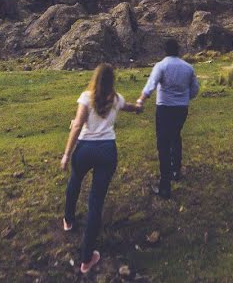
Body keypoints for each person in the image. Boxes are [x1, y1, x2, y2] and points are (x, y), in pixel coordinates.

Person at [61, 63, 140, 274]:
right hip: (107, 151)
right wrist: (138, 107)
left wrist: (67, 154)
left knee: (75, 182)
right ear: (112, 80)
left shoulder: (86, 97)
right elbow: (129, 107)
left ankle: (68, 221)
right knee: (96, 201)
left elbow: (77, 125)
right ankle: (87, 259)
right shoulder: (115, 99)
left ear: (95, 78)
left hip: (85, 149)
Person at [136, 39, 200, 199]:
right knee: (175, 136)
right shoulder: (188, 67)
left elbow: (151, 85)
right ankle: (176, 170)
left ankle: (165, 185)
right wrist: (184, 98)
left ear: (165, 50)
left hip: (164, 108)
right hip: (181, 109)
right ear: (178, 50)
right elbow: (195, 89)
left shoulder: (161, 66)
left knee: (163, 143)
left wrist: (140, 101)